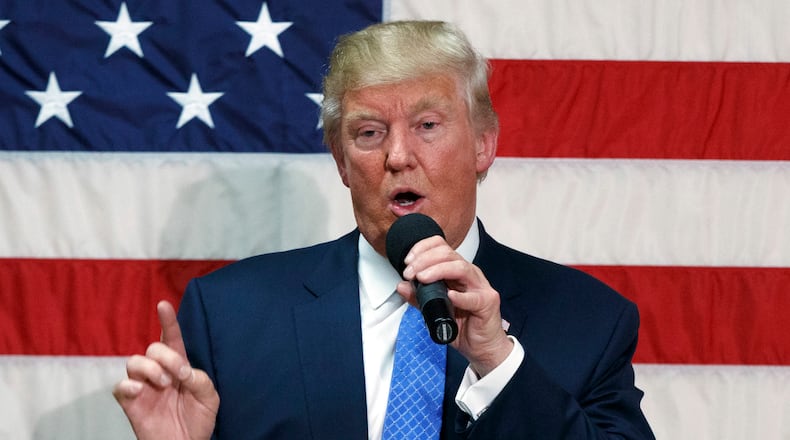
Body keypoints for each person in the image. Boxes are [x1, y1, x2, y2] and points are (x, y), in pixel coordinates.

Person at [113, 20, 655, 439]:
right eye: (369, 133)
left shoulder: (589, 321)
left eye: (427, 126)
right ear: (342, 163)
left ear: (483, 144)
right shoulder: (230, 316)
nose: (398, 156)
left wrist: (498, 364)